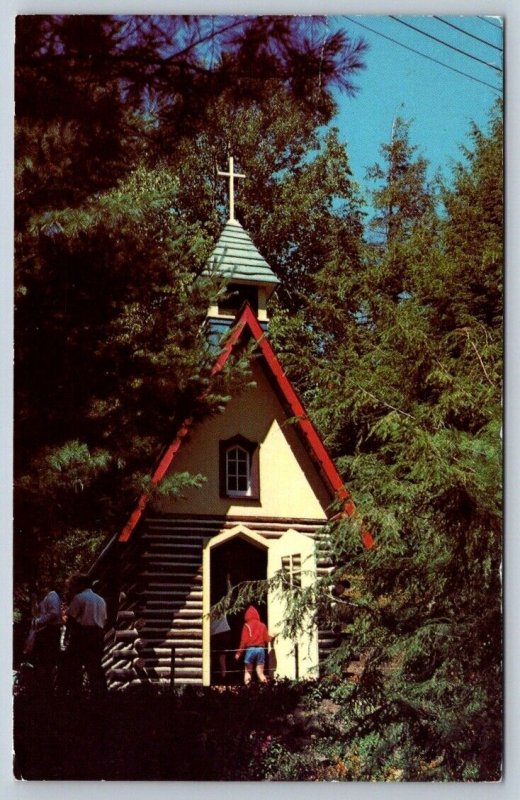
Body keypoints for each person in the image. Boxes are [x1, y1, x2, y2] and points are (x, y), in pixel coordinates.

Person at [63, 574, 107, 696]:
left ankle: (75, 694)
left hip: (83, 634)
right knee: (95, 666)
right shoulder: (101, 600)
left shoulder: (79, 598)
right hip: (98, 634)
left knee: (75, 666)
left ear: (81, 585)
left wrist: (69, 633)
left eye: (74, 585)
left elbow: (71, 620)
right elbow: (104, 620)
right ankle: (100, 694)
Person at [29, 585, 62, 694]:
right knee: (41, 660)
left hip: (50, 631)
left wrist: (40, 621)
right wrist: (34, 601)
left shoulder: (52, 596)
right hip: (44, 631)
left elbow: (54, 613)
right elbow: (35, 614)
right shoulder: (44, 599)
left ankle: (48, 688)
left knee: (48, 660)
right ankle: (42, 687)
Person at [235, 605, 274, 685]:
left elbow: (243, 641)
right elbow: (267, 639)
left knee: (248, 672)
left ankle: (248, 690)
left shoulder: (246, 625)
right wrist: (272, 637)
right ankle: (267, 688)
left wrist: (239, 653)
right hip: (261, 650)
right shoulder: (262, 625)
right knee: (260, 673)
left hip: (250, 650)